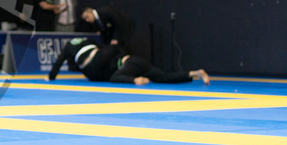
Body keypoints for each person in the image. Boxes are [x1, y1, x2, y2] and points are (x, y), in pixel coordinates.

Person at [49, 37, 209, 86]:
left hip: (126, 65)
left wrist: (50, 77)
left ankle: (136, 80)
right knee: (164, 77)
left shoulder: (69, 46)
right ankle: (194, 73)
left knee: (114, 78)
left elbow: (58, 62)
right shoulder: (87, 41)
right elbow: (105, 49)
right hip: (135, 61)